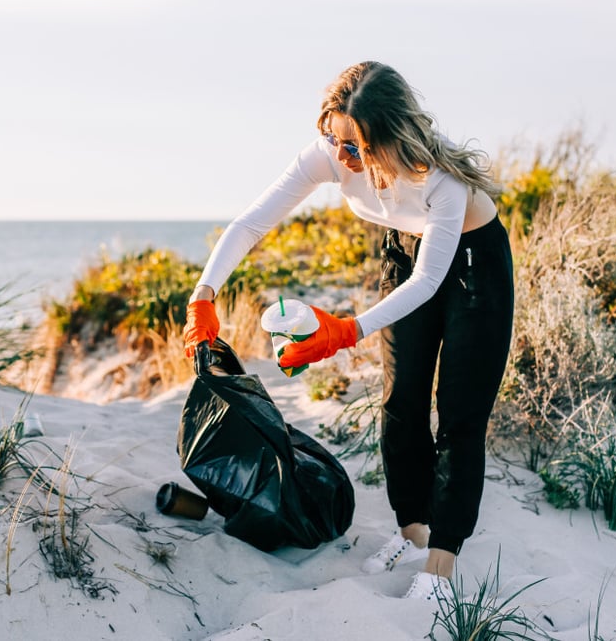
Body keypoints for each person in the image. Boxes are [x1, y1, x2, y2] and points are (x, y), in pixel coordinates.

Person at [183, 61, 514, 601]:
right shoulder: (331, 153)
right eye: (334, 139)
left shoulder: (441, 181)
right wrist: (204, 293)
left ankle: (441, 563)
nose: (342, 158)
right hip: (406, 254)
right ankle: (412, 535)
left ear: (389, 138)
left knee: (459, 414)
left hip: (474, 265)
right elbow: (251, 223)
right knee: (400, 404)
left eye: (356, 147)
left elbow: (433, 281)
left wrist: (344, 331)